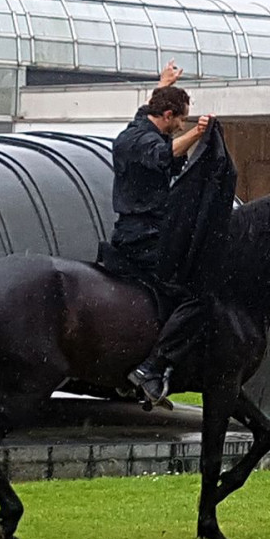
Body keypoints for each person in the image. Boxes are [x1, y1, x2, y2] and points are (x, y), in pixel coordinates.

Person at [109, 59, 215, 408]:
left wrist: (162, 83)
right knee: (199, 295)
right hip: (142, 238)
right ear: (168, 116)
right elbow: (162, 154)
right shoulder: (139, 141)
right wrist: (197, 134)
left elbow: (148, 113)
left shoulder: (142, 124)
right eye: (180, 119)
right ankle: (151, 367)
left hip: (143, 233)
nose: (182, 124)